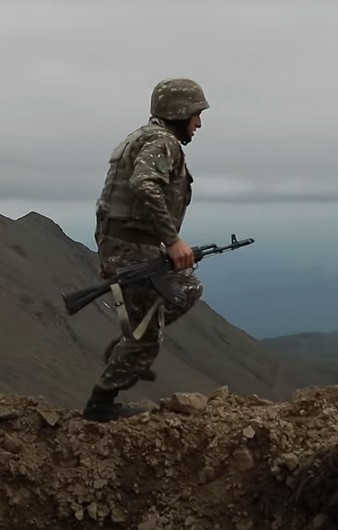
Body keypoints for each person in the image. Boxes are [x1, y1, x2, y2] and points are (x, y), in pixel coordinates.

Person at [82, 78, 210, 422]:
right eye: (196, 114)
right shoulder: (163, 143)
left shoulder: (142, 138)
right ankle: (101, 403)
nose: (199, 123)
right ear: (179, 112)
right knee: (149, 332)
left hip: (125, 244)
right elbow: (143, 185)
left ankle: (129, 348)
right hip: (133, 248)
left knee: (186, 289)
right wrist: (172, 241)